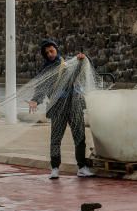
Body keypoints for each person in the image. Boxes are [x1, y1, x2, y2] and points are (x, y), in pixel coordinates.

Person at [28, 39, 95, 180]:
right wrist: (35, 100)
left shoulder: (67, 64)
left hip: (73, 103)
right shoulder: (46, 70)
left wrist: (82, 60)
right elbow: (41, 87)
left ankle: (82, 167)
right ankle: (55, 168)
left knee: (80, 136)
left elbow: (77, 73)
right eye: (47, 53)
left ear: (56, 50)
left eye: (51, 51)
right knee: (56, 138)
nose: (50, 54)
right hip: (58, 106)